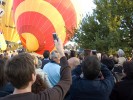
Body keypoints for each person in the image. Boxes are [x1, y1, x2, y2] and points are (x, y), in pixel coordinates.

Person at [0, 38, 72, 100]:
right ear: (33, 76)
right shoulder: (46, 97)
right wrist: (61, 52)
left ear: (8, 78)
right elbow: (66, 80)